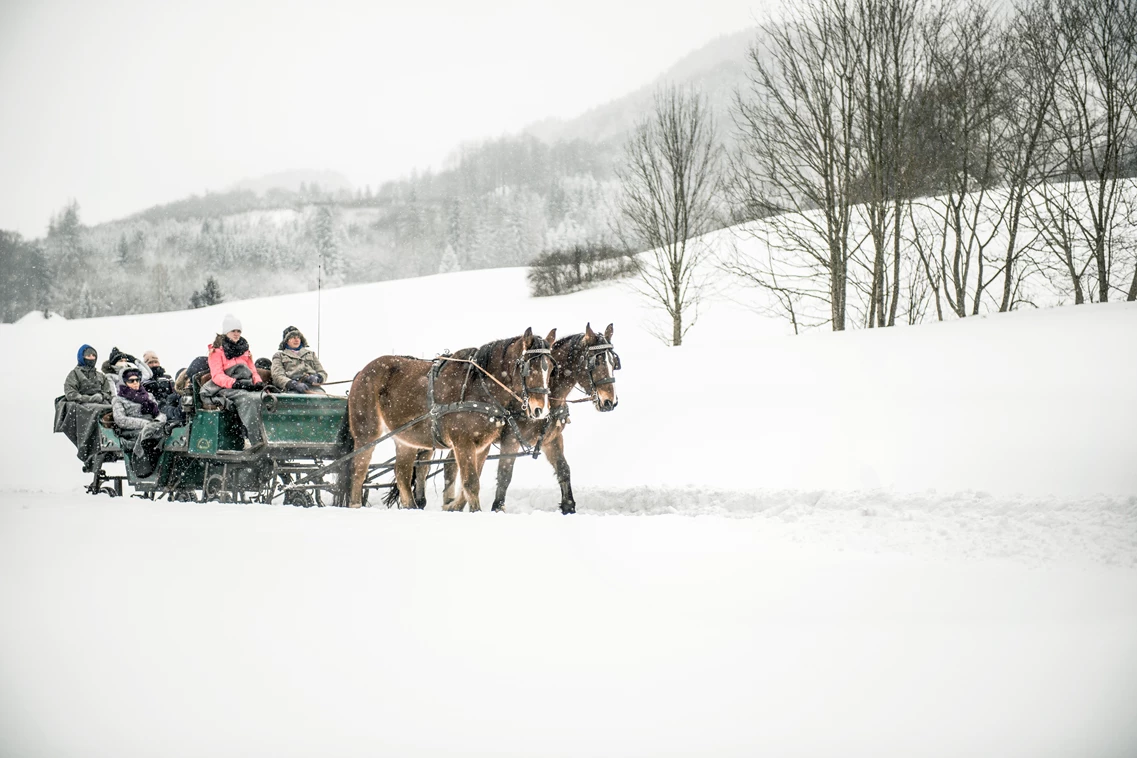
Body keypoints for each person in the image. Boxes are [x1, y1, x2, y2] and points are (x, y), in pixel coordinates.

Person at [200, 314, 266, 449]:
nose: (236, 334)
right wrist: (235, 383)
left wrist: (257, 382)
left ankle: (269, 436)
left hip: (245, 384)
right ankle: (254, 440)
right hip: (225, 388)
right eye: (233, 331)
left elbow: (253, 370)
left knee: (265, 398)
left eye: (238, 331)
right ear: (226, 332)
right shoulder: (216, 352)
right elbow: (217, 376)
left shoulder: (245, 350)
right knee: (248, 400)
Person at [55, 344, 115, 470]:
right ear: (82, 357)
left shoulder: (100, 376)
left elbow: (108, 392)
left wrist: (101, 396)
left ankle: (113, 443)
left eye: (93, 355)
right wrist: (89, 398)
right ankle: (90, 448)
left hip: (101, 401)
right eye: (88, 355)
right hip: (83, 404)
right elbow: (71, 393)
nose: (91, 358)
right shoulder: (74, 374)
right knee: (96, 412)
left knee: (115, 410)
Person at [111, 366, 170, 477]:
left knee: (170, 432)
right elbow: (121, 420)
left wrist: (158, 420)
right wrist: (144, 424)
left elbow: (160, 412)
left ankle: (165, 469)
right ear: (124, 382)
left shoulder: (148, 396)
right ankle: (143, 465)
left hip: (153, 426)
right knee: (153, 435)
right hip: (132, 430)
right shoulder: (118, 399)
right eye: (131, 380)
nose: (135, 383)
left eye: (137, 380)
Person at [271, 325, 328, 394]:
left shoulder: (311, 354)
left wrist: (318, 378)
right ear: (286, 341)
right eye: (293, 337)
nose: (296, 339)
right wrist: (292, 384)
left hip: (314, 388)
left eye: (298, 337)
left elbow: (323, 372)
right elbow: (277, 376)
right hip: (291, 390)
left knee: (321, 400)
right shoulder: (279, 356)